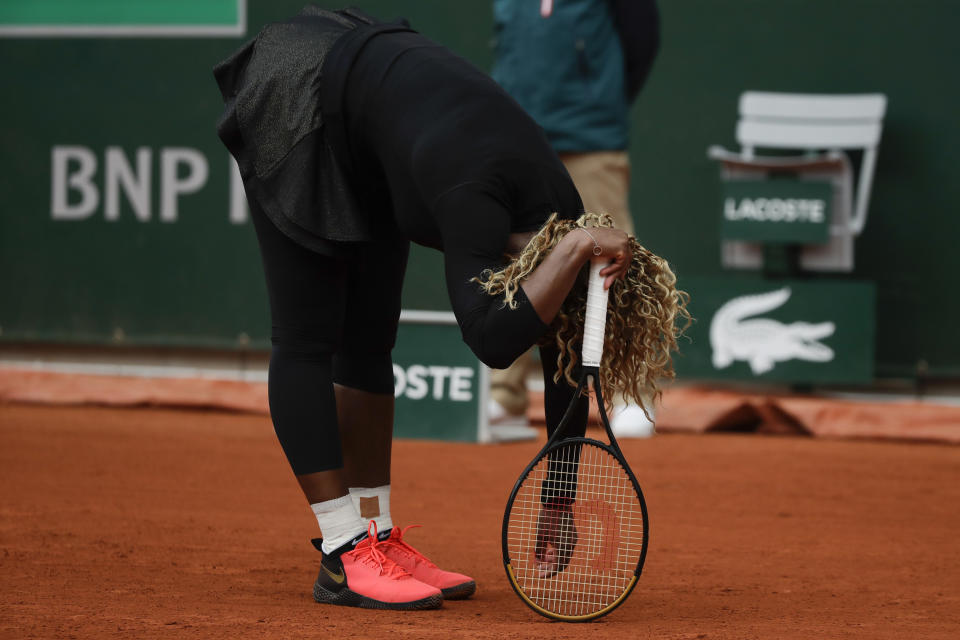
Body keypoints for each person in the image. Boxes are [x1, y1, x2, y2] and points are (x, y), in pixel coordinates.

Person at [213, 6, 686, 611]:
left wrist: (559, 499)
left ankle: (376, 535)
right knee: (307, 333)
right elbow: (491, 342)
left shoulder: (562, 217)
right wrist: (575, 248)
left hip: (377, 121)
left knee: (369, 339)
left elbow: (564, 364)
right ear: (560, 247)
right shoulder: (484, 202)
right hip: (299, 92)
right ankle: (342, 551)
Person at [490, 0, 661, 437]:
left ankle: (629, 395)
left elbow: (642, 42)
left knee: (615, 259)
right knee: (514, 259)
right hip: (518, 132)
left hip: (591, 136)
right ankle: (502, 396)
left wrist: (596, 99)